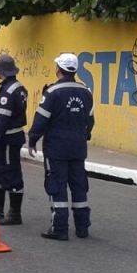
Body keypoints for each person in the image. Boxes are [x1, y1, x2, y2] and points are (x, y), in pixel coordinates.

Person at [28, 53, 96, 241]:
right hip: (78, 148)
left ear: (58, 69)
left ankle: (60, 228)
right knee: (79, 186)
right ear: (74, 70)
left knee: (57, 186)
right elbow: (90, 122)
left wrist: (33, 139)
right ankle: (82, 228)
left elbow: (41, 119)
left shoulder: (52, 93)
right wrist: (84, 136)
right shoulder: (86, 92)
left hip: (56, 149)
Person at [0, 54, 29, 226]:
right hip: (12, 136)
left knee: (10, 174)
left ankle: (14, 214)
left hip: (7, 138)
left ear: (1, 71)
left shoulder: (8, 91)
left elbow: (2, 121)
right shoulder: (18, 87)